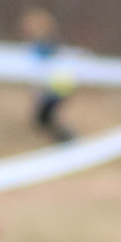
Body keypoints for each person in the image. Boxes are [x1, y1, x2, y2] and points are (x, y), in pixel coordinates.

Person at [23, 8, 77, 143]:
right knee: (44, 120)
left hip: (55, 87)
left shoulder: (47, 43)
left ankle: (70, 142)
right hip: (52, 86)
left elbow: (44, 63)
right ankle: (65, 143)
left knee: (44, 119)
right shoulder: (45, 42)